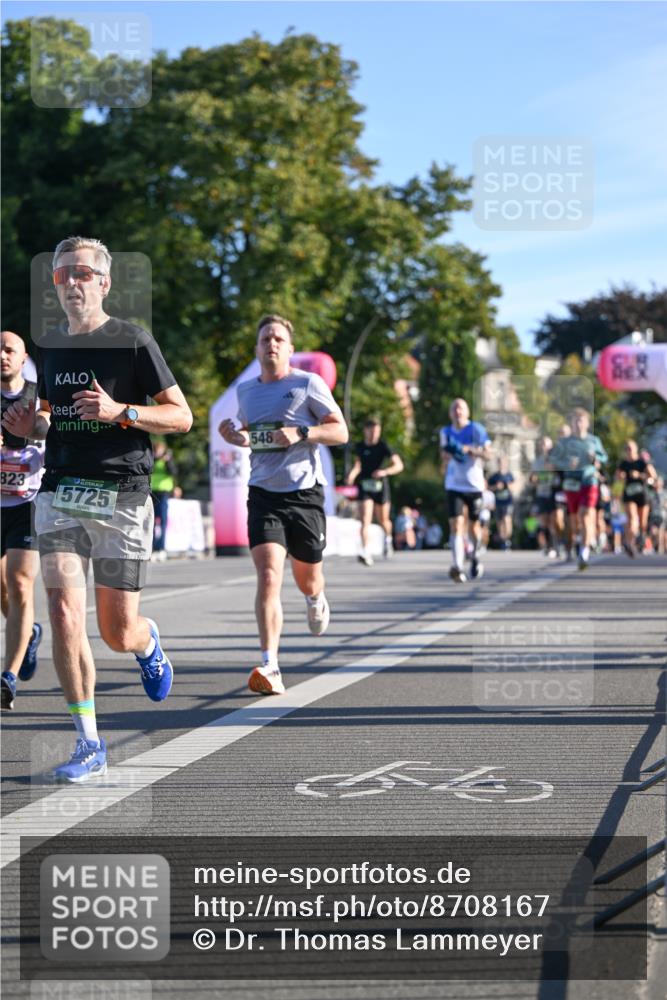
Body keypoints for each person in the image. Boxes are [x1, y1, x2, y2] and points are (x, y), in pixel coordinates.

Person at [12, 236, 192, 782]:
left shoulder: (133, 342)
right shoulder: (51, 346)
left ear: (104, 283)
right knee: (65, 612)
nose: (70, 282)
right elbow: (49, 418)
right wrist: (32, 427)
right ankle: (88, 742)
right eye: (62, 274)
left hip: (124, 494)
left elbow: (181, 417)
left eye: (83, 273)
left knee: (117, 631)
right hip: (61, 490)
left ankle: (147, 641)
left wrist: (122, 412)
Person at [219, 314, 348, 696]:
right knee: (269, 574)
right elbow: (253, 437)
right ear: (257, 349)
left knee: (306, 576)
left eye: (278, 339)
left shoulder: (308, 383)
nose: (271, 344)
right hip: (263, 493)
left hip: (304, 493)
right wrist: (234, 435)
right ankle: (270, 664)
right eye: (265, 340)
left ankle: (314, 598)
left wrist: (303, 431)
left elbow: (339, 430)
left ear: (290, 349)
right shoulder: (246, 392)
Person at [1, 331, 46, 710]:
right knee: (5, 592)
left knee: (19, 582)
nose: (1, 356)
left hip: (28, 502)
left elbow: (51, 431)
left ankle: (8, 676)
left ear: (22, 357)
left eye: (8, 350)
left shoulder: (37, 395)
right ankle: (29, 632)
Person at [548, 407, 607, 570]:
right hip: (571, 483)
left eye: (581, 421)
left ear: (587, 423)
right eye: (575, 421)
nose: (578, 424)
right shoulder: (564, 443)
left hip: (589, 481)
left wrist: (595, 457)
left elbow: (604, 457)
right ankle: (580, 541)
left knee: (586, 514)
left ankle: (584, 552)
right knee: (575, 520)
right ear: (572, 424)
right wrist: (566, 464)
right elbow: (552, 461)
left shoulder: (593, 441)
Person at [440, 398, 492, 582]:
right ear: (450, 413)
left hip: (474, 485)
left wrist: (470, 450)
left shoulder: (476, 429)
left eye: (460, 408)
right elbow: (444, 455)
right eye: (454, 408)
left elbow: (488, 454)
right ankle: (457, 566)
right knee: (456, 525)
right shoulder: (445, 432)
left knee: (474, 527)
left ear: (467, 412)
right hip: (454, 484)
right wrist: (445, 459)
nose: (457, 411)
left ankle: (475, 556)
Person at [345, 417, 403, 565]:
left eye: (377, 431)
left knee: (383, 519)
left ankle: (388, 540)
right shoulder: (359, 446)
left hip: (380, 486)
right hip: (365, 485)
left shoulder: (384, 446)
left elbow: (399, 465)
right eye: (371, 431)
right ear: (365, 431)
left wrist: (385, 472)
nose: (374, 435)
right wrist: (351, 476)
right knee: (365, 519)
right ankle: (365, 551)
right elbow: (358, 465)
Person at [616, 440, 658, 556]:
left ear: (636, 449)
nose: (629, 451)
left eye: (631, 448)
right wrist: (621, 476)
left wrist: (639, 475)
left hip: (642, 495)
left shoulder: (642, 462)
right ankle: (630, 544)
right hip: (629, 494)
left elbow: (653, 476)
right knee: (632, 518)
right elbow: (617, 476)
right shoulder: (623, 463)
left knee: (642, 522)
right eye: (627, 448)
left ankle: (641, 537)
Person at [530, 436, 562, 558]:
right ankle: (550, 546)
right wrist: (535, 480)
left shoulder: (556, 460)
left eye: (546, 444)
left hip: (554, 493)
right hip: (541, 493)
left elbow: (558, 477)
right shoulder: (537, 461)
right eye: (542, 444)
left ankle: (558, 543)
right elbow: (533, 478)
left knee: (556, 520)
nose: (544, 446)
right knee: (544, 521)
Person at [150, 440, 180, 561]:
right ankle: (151, 547)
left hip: (163, 492)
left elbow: (173, 472)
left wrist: (168, 461)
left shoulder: (167, 461)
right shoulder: (151, 460)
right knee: (151, 522)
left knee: (162, 521)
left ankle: (161, 548)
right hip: (152, 492)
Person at [487, 457, 515, 550]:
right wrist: (496, 487)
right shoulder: (494, 476)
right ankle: (503, 541)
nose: (501, 464)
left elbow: (514, 487)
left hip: (507, 502)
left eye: (503, 463)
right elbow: (488, 488)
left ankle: (507, 539)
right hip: (498, 502)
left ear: (506, 464)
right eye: (499, 463)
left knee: (507, 520)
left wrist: (506, 485)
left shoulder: (509, 475)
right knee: (500, 523)